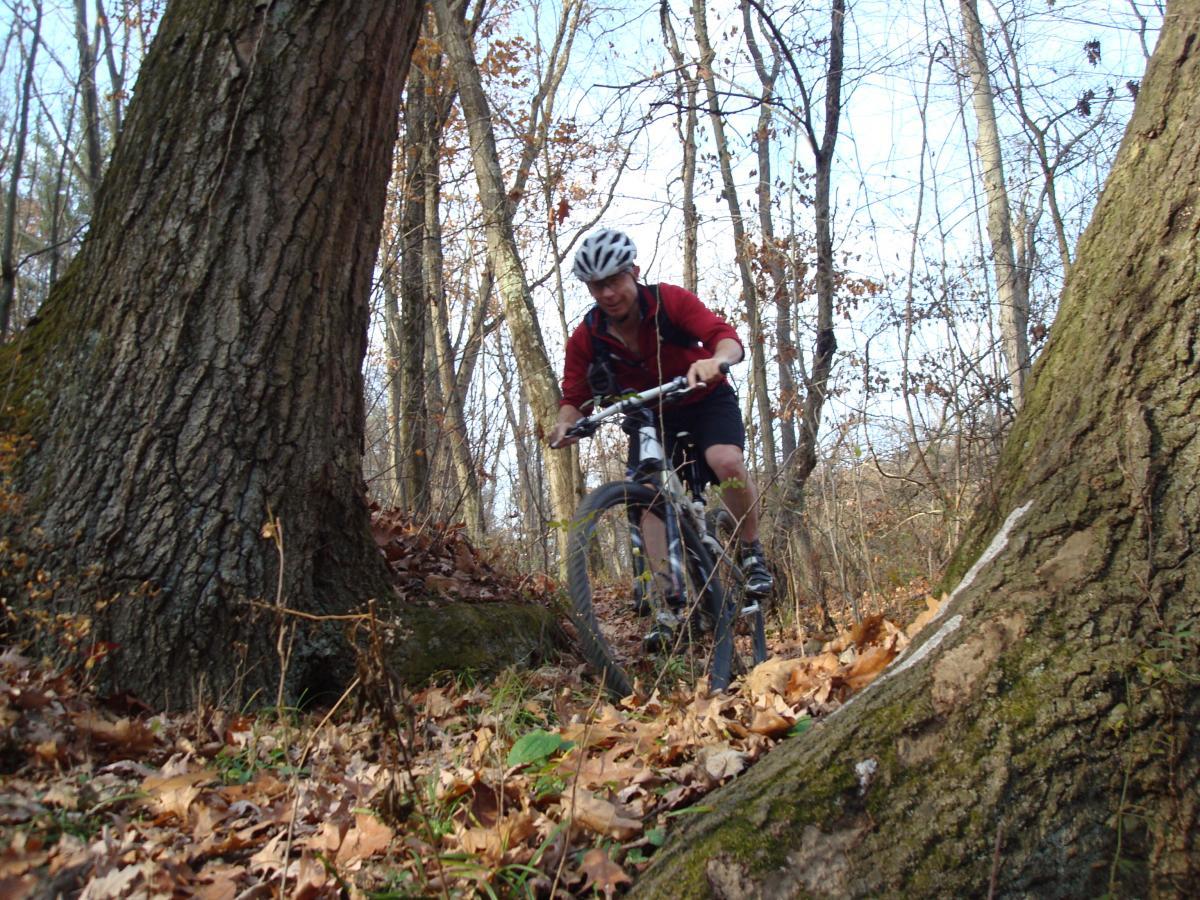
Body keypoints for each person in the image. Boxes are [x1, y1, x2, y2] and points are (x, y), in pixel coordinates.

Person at [548, 228, 774, 623]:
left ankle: (751, 550)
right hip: (648, 417)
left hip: (704, 399)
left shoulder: (670, 301)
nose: (607, 294)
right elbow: (574, 397)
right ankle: (665, 598)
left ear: (633, 272)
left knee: (725, 462)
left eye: (614, 280)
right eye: (596, 286)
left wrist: (713, 361)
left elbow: (726, 339)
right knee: (647, 496)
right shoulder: (587, 337)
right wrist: (566, 424)